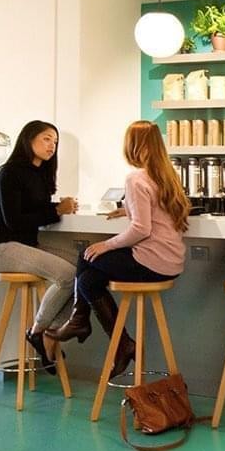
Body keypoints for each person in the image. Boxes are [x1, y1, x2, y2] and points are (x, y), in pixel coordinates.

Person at [46, 121, 189, 379]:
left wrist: (106, 244)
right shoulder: (167, 174)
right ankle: (114, 340)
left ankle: (87, 325)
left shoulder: (135, 178)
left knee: (87, 254)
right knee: (89, 279)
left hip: (150, 262)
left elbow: (141, 230)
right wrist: (128, 209)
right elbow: (158, 214)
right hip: (172, 262)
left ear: (132, 146)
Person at [0, 120, 78, 375]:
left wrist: (59, 207)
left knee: (81, 267)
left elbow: (35, 211)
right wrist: (57, 210)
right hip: (0, 248)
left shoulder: (41, 174)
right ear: (28, 139)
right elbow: (14, 220)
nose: (52, 146)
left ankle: (49, 335)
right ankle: (38, 332)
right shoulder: (9, 172)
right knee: (66, 275)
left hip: (25, 245)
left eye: (55, 142)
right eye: (46, 139)